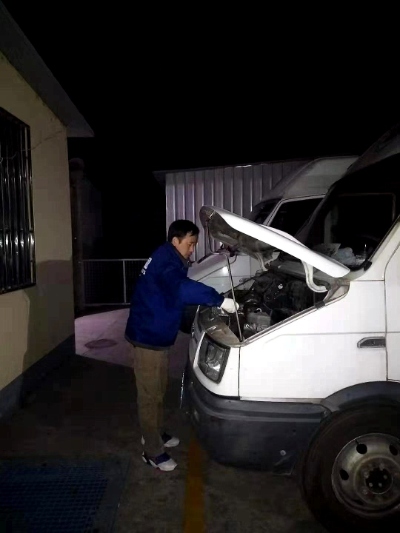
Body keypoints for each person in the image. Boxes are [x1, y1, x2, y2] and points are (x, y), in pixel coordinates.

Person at [125, 219, 238, 471]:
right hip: (147, 337)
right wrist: (219, 300)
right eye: (190, 244)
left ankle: (154, 432)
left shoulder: (168, 257)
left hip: (155, 334)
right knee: (149, 395)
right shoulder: (167, 262)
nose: (192, 249)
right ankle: (152, 451)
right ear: (176, 241)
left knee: (158, 390)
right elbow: (182, 289)